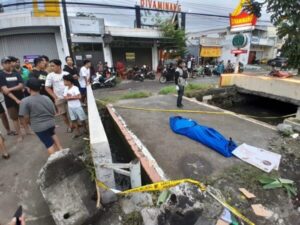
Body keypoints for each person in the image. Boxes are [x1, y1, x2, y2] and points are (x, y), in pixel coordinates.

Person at [19, 79, 63, 155]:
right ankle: (61, 149)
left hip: (39, 126)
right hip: (51, 123)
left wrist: (28, 124)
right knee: (52, 134)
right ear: (40, 88)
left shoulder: (25, 101)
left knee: (48, 143)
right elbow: (53, 112)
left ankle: (56, 159)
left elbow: (25, 117)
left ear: (29, 89)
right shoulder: (46, 97)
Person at [0, 57, 25, 141]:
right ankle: (19, 135)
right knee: (14, 118)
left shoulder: (16, 73)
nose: (7, 64)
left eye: (8, 62)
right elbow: (4, 90)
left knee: (22, 115)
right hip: (10, 100)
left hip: (20, 97)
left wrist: (10, 89)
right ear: (2, 64)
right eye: (5, 63)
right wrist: (16, 99)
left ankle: (27, 130)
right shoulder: (1, 75)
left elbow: (21, 85)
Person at [45, 59, 72, 132]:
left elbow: (72, 84)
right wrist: (55, 97)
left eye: (53, 66)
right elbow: (47, 87)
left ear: (59, 66)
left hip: (70, 96)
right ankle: (69, 126)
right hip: (59, 98)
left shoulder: (66, 73)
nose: (51, 68)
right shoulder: (50, 76)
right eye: (50, 66)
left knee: (73, 111)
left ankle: (76, 124)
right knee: (63, 114)